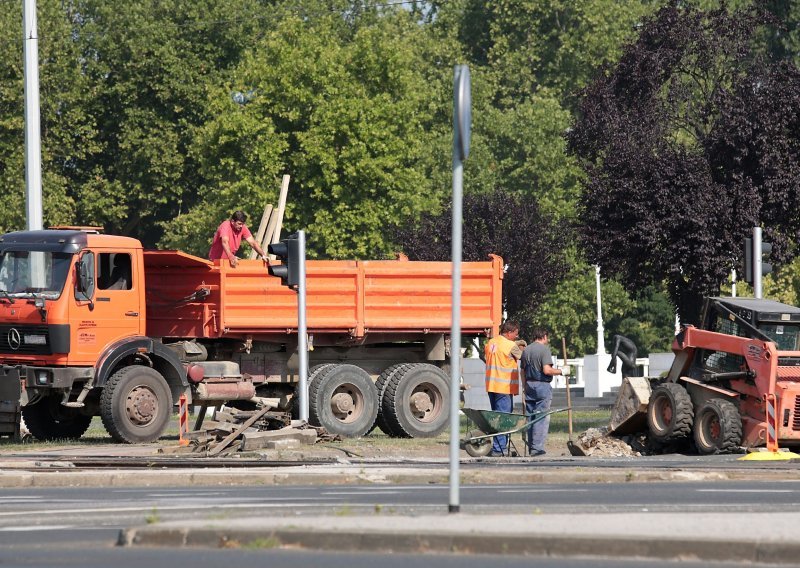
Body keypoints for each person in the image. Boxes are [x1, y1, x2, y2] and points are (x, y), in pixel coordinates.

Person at [521, 327, 570, 456]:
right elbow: (547, 370)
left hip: (529, 384)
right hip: (542, 385)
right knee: (541, 417)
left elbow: (522, 371)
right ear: (544, 336)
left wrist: (524, 385)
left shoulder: (526, 350)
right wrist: (562, 371)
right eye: (547, 337)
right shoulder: (544, 350)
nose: (547, 340)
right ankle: (537, 448)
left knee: (530, 416)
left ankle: (532, 446)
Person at [484, 320, 523, 457]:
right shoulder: (510, 345)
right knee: (503, 418)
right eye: (516, 334)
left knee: (496, 417)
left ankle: (499, 446)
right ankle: (498, 449)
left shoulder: (491, 343)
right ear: (509, 332)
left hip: (491, 386)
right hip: (504, 387)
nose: (516, 337)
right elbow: (523, 357)